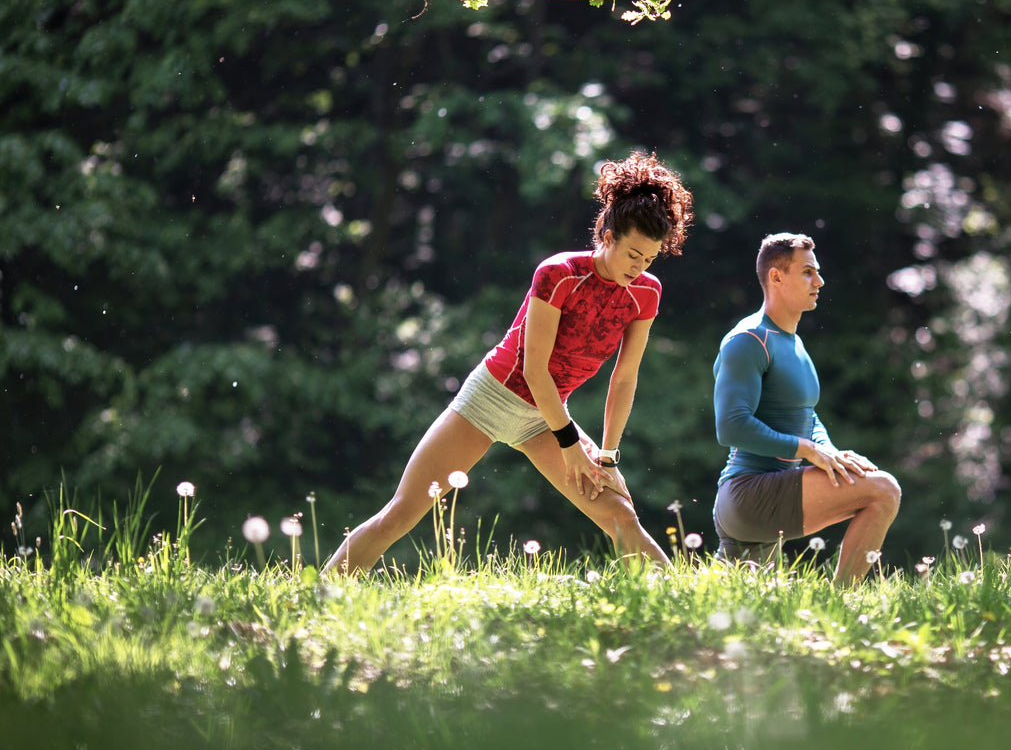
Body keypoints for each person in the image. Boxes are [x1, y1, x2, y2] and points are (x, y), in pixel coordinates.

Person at [323, 151, 693, 575]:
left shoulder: (645, 293)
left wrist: (607, 455)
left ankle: (682, 602)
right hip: (490, 399)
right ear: (607, 236)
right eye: (632, 254)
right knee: (402, 514)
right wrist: (573, 449)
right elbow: (534, 369)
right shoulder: (560, 273)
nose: (639, 267)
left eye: (649, 258)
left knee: (622, 516)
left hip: (545, 418)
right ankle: (319, 594)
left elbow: (624, 379)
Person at [711, 232, 901, 585]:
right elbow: (731, 426)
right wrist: (807, 450)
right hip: (748, 492)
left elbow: (807, 415)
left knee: (737, 612)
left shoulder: (793, 341)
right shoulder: (748, 340)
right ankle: (843, 602)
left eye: (817, 272)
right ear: (777, 277)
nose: (820, 281)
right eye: (808, 272)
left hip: (765, 499)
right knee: (884, 490)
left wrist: (828, 451)